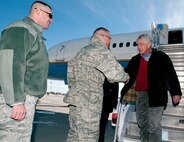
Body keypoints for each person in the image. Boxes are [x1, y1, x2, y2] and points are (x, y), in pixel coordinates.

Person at [63, 27, 129, 142]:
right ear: (103, 36)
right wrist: (126, 78)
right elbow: (116, 74)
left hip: (75, 100)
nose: (110, 41)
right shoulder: (101, 50)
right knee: (88, 137)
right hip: (89, 102)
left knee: (74, 135)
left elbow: (70, 77)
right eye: (109, 38)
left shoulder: (82, 51)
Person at [0, 1, 52, 141]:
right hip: (17, 99)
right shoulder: (21, 28)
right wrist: (16, 101)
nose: (51, 20)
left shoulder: (34, 33)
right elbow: (10, 63)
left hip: (25, 98)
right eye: (49, 15)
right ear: (37, 11)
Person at [121, 34, 182, 142]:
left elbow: (171, 74)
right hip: (141, 95)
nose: (138, 47)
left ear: (149, 45)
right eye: (137, 44)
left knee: (153, 124)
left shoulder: (161, 56)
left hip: (157, 94)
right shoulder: (135, 59)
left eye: (141, 44)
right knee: (142, 123)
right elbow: (125, 74)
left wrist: (176, 92)